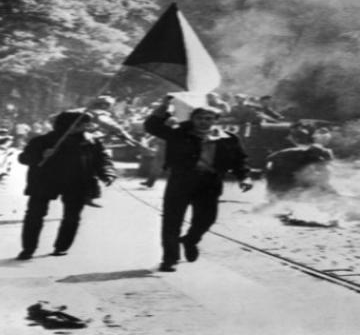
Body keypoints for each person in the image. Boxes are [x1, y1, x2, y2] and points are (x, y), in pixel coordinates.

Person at [144, 96, 253, 272]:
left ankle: (190, 240)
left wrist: (244, 177)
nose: (204, 122)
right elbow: (152, 127)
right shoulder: (179, 133)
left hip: (210, 183)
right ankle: (169, 259)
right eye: (199, 118)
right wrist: (164, 105)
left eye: (209, 119)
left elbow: (240, 160)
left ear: (216, 121)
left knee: (206, 219)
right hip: (181, 181)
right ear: (192, 119)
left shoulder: (228, 139)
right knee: (172, 220)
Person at [17, 111, 117, 260]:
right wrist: (41, 155)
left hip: (77, 182)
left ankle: (62, 247)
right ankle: (28, 248)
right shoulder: (43, 141)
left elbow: (103, 160)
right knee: (34, 215)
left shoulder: (91, 142)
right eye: (82, 123)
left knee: (72, 216)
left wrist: (108, 174)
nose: (86, 126)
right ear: (70, 125)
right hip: (44, 181)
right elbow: (23, 158)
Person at [265, 125, 333, 199]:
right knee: (280, 195)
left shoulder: (307, 158)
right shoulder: (295, 153)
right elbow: (270, 158)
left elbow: (322, 179)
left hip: (279, 173)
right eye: (319, 158)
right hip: (278, 174)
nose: (320, 160)